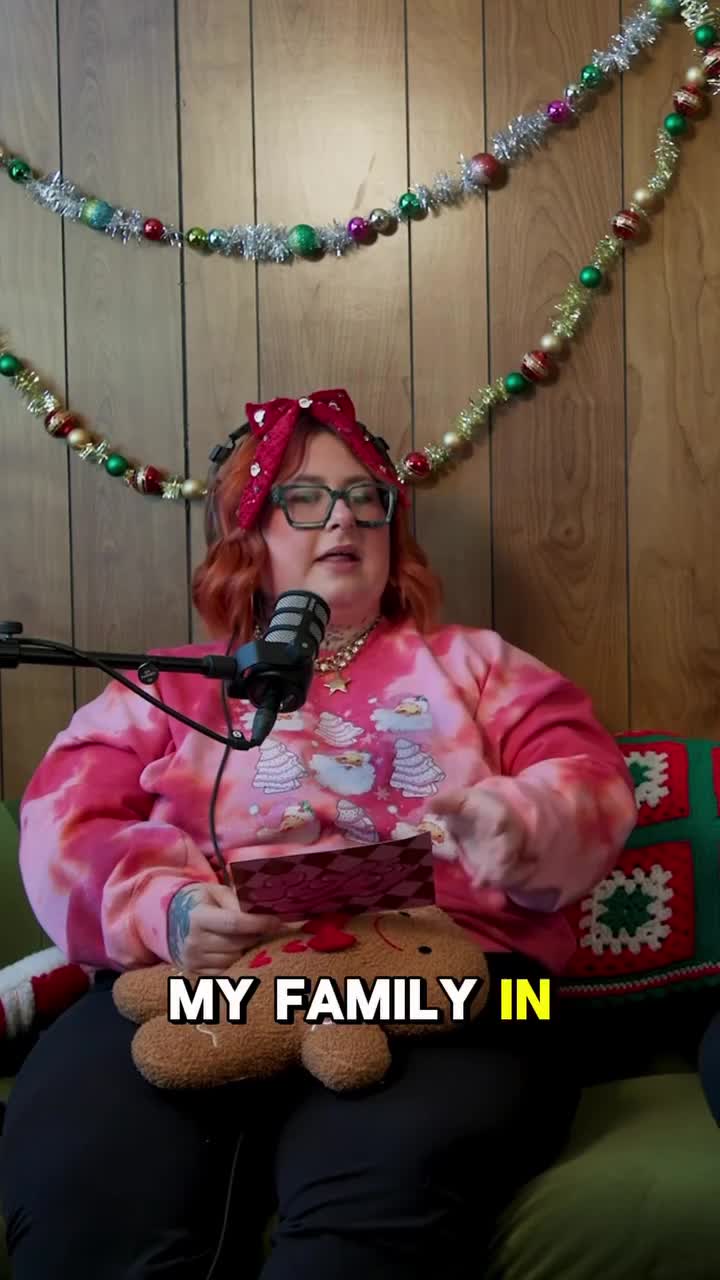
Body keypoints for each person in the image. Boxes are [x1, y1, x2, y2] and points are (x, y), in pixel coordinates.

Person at [0, 388, 637, 1280]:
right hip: (203, 984)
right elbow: (62, 820)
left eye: (365, 497)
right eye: (304, 498)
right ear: (248, 536)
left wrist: (522, 823)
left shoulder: (479, 666)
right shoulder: (168, 684)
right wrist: (168, 911)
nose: (343, 518)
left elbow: (587, 776)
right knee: (86, 1185)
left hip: (465, 990)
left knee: (378, 1201)